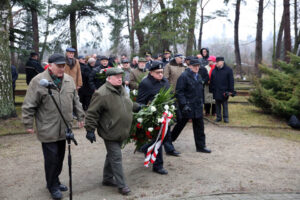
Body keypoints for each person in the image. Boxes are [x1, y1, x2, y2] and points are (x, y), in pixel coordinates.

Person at [22, 53, 85, 200]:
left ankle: (54, 180)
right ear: (50, 65)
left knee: (60, 157)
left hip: (64, 126)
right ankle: (52, 186)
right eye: (59, 66)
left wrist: (80, 116)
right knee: (51, 159)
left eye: (64, 65)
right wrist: (28, 123)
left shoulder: (69, 80)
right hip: (47, 127)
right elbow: (29, 104)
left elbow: (76, 101)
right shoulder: (38, 81)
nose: (62, 68)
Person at [85, 68, 139, 195]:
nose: (120, 78)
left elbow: (127, 103)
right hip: (110, 131)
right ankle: (122, 185)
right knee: (116, 157)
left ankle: (107, 178)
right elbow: (92, 112)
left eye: (121, 76)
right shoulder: (101, 93)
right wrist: (90, 130)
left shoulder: (122, 90)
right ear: (108, 79)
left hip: (122, 130)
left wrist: (138, 106)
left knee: (112, 155)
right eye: (116, 77)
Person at [170, 59, 211, 153]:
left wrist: (201, 102)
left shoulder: (198, 76)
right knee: (180, 125)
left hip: (197, 105)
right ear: (190, 66)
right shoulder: (184, 76)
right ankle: (169, 141)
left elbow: (200, 90)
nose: (197, 67)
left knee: (199, 127)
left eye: (198, 66)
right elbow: (179, 92)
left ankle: (201, 146)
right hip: (187, 106)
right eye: (194, 65)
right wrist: (183, 105)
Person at [136, 61, 170, 175]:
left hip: (165, 115)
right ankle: (158, 166)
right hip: (152, 116)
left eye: (162, 72)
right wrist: (148, 110)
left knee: (164, 138)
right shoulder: (146, 83)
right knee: (158, 139)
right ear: (151, 73)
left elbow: (169, 97)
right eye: (158, 72)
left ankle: (146, 148)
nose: (161, 74)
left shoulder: (165, 81)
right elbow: (140, 102)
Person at [210, 57, 234, 123]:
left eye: (217, 62)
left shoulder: (228, 70)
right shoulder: (214, 70)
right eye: (216, 62)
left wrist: (230, 91)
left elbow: (231, 81)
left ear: (222, 62)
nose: (216, 63)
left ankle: (226, 118)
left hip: (225, 91)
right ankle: (218, 117)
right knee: (217, 105)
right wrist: (211, 89)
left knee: (225, 105)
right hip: (216, 90)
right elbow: (211, 80)